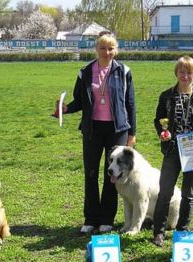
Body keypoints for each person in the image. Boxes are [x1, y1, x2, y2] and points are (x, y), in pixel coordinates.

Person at [58, 31, 136, 234]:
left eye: (111, 48)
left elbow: (130, 104)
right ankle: (91, 219)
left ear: (116, 50)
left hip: (117, 129)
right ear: (96, 49)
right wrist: (66, 109)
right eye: (103, 48)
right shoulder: (84, 72)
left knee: (112, 175)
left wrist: (132, 133)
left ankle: (107, 219)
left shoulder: (124, 71)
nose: (107, 52)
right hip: (92, 129)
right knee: (91, 174)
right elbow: (79, 100)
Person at [152, 55, 193, 247]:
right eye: (181, 71)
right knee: (165, 192)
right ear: (176, 73)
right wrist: (162, 133)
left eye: (188, 72)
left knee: (188, 193)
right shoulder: (166, 96)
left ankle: (182, 231)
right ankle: (158, 232)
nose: (185, 75)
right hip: (172, 150)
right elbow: (159, 120)